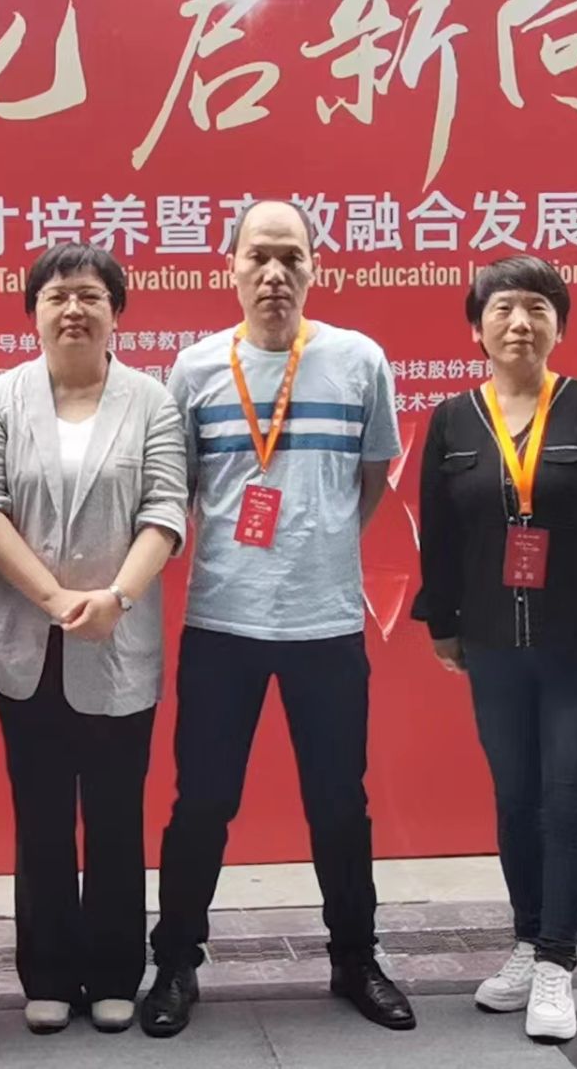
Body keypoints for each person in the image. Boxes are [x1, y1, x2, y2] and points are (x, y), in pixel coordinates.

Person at [142, 199, 416, 1037]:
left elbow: (371, 479)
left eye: (290, 257)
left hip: (324, 624)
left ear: (314, 268)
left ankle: (355, 959)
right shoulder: (194, 370)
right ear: (229, 267)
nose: (274, 274)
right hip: (221, 622)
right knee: (202, 803)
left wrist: (318, 547)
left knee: (339, 805)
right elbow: (179, 489)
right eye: (257, 256)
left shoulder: (358, 360)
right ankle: (176, 963)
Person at [410, 255, 577, 1045]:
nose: (520, 323)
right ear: (476, 328)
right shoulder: (452, 420)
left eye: (538, 308)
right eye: (504, 308)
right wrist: (442, 620)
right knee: (515, 798)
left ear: (559, 326)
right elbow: (438, 530)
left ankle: (557, 961)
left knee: (569, 800)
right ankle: (525, 942)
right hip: (492, 641)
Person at [0, 243, 189, 1036]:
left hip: (119, 638)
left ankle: (118, 971)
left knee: (118, 815)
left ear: (116, 311)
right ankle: (49, 972)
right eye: (57, 296)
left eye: (91, 295)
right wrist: (56, 599)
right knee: (43, 816)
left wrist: (117, 597)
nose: (74, 310)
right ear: (33, 311)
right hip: (29, 643)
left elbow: (166, 510)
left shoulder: (151, 401)